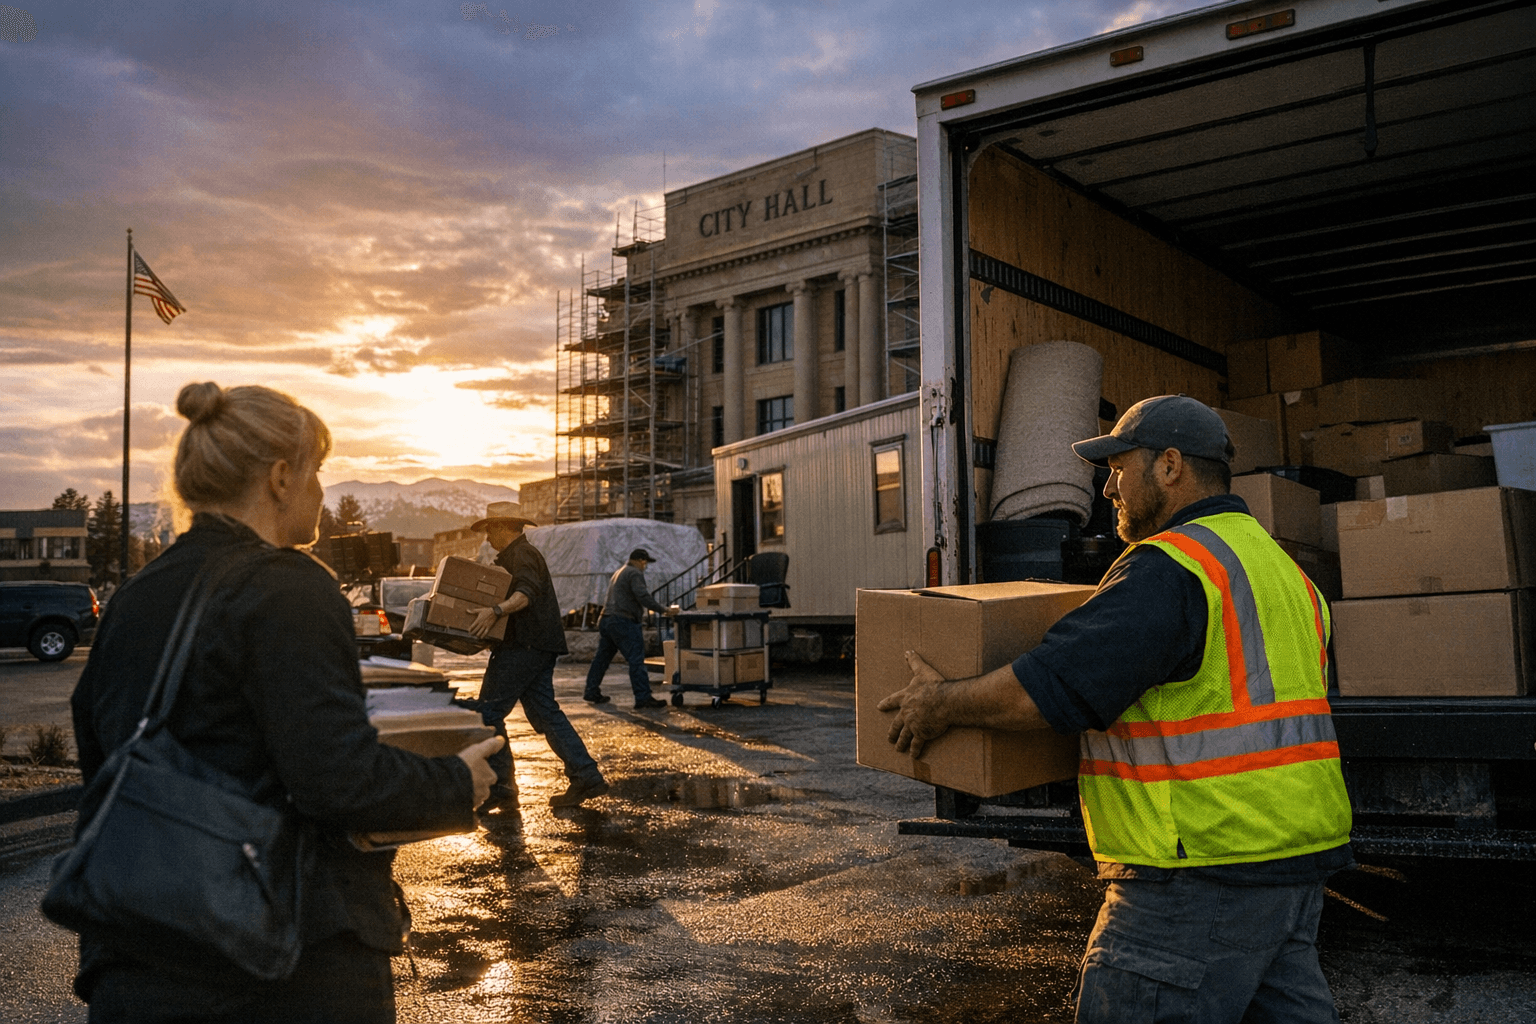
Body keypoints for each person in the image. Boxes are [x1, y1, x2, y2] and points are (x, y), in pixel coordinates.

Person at [879, 395, 1353, 1024]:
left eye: (1119, 468)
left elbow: (1050, 688)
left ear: (1170, 466)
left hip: (1196, 872)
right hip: (1293, 863)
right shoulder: (1283, 571)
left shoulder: (1173, 568)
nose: (1108, 489)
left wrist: (940, 703)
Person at [68, 382, 502, 1024]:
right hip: (281, 961)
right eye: (316, 471)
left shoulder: (138, 594)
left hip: (137, 956)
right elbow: (337, 780)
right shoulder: (288, 586)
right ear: (279, 478)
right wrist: (455, 781)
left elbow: (101, 747)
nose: (322, 491)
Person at [463, 501, 610, 810]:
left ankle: (503, 787)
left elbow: (525, 594)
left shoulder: (523, 555)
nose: (488, 537)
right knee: (545, 713)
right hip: (536, 646)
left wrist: (495, 611)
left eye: (490, 530)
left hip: (524, 647)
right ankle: (586, 775)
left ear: (503, 528)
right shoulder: (515, 556)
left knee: (488, 713)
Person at [583, 547, 680, 708]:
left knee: (601, 659)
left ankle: (591, 691)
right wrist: (663, 610)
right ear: (641, 561)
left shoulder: (619, 572)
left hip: (607, 619)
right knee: (636, 660)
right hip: (623, 621)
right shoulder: (634, 573)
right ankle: (643, 697)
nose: (645, 567)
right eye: (645, 563)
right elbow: (642, 596)